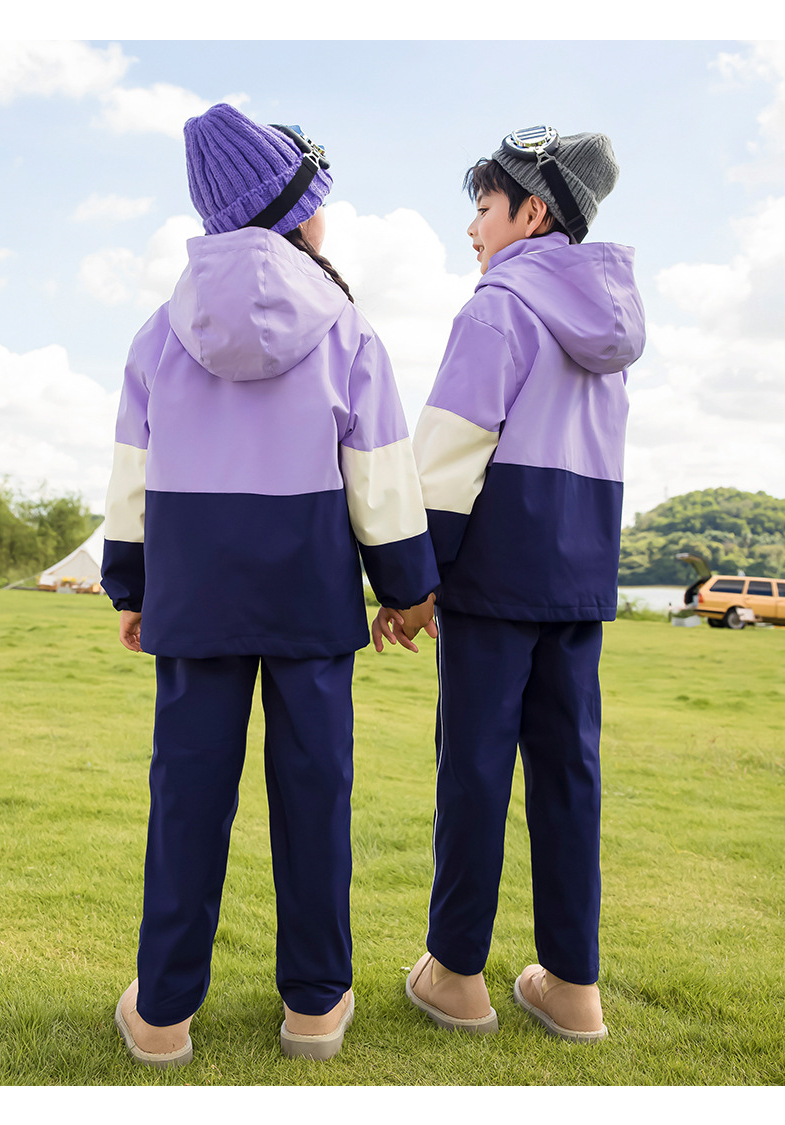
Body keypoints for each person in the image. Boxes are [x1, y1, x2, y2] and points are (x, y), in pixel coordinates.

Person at [101, 103, 438, 1066]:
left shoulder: (158, 333)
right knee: (314, 796)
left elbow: (131, 479)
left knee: (186, 800)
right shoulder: (346, 328)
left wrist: (132, 586)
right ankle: (315, 1009)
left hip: (196, 600)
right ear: (296, 211)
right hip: (310, 601)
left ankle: (162, 1016)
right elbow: (381, 477)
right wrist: (407, 586)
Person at [375, 125, 645, 1042]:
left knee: (475, 772)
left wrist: (411, 580)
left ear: (532, 213)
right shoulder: (611, 326)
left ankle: (456, 974)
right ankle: (573, 987)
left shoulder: (497, 307)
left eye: (484, 207)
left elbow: (448, 455)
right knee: (570, 775)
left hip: (492, 580)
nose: (473, 228)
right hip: (577, 582)